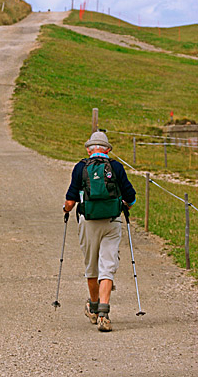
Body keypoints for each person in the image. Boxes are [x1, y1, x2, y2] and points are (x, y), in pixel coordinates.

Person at [63, 131, 136, 332]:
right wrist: (127, 205)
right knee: (108, 265)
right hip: (112, 221)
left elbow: (70, 200)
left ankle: (93, 308)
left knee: (91, 266)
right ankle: (104, 313)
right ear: (107, 149)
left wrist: (66, 209)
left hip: (88, 221)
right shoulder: (116, 167)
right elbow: (130, 197)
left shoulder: (80, 168)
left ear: (89, 149)